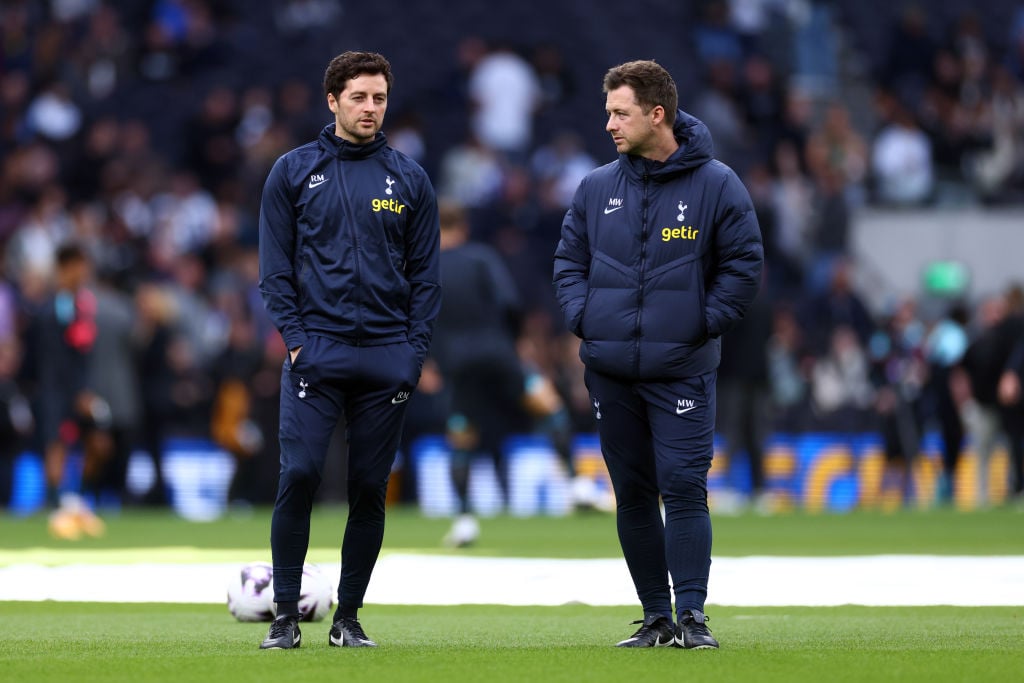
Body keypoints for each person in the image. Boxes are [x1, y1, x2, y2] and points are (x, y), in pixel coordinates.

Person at [553, 60, 763, 649]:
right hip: (611, 371)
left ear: (657, 115)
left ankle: (692, 616)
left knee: (684, 487)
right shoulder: (596, 188)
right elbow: (568, 262)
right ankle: (654, 617)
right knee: (634, 493)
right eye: (608, 113)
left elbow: (744, 267)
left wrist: (701, 323)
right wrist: (583, 318)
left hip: (682, 371)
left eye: (620, 113)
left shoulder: (718, 183)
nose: (610, 125)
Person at [257, 51, 441, 650]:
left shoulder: (410, 178)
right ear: (332, 100)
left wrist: (412, 355)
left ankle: (348, 618)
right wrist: (297, 341)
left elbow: (427, 279)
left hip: (387, 357)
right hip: (318, 353)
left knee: (369, 487)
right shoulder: (292, 172)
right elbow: (274, 270)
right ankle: (285, 616)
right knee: (302, 474)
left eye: (380, 98)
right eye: (359, 97)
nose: (370, 108)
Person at [430, 201, 528, 547]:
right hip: (498, 352)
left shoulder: (425, 268)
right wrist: (514, 344)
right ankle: (576, 481)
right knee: (546, 404)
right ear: (464, 226)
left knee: (461, 435)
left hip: (457, 364)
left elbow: (418, 318)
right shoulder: (481, 257)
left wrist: (428, 362)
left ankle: (465, 518)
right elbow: (509, 303)